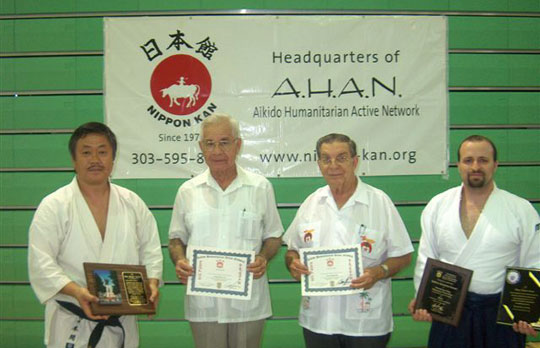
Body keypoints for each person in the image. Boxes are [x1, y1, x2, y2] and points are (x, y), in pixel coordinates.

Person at [28, 122, 163, 348]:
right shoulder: (54, 206)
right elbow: (41, 263)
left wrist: (151, 284)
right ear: (74, 160)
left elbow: (151, 251)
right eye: (86, 152)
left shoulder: (133, 203)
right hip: (72, 321)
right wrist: (77, 292)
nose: (95, 160)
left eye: (102, 152)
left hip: (122, 322)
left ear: (113, 159)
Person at [408, 135, 540, 348]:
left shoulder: (520, 209)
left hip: (500, 314)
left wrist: (529, 311)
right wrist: (423, 299)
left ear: (495, 165)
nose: (475, 166)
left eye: (483, 160)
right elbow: (426, 256)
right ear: (458, 165)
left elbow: (534, 261)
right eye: (468, 160)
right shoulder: (438, 205)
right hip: (448, 311)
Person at [284, 133, 413, 348]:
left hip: (366, 323)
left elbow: (403, 255)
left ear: (355, 161)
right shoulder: (311, 203)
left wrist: (378, 271)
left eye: (341, 158)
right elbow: (292, 251)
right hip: (318, 322)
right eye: (326, 159)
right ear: (319, 164)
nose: (333, 165)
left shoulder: (379, 202)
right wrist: (293, 264)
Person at [168, 113, 283, 348]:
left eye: (224, 142)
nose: (217, 151)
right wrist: (179, 260)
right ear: (201, 147)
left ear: (238, 145)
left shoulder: (260, 187)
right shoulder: (187, 191)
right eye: (210, 143)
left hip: (248, 302)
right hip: (204, 303)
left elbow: (273, 236)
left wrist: (263, 258)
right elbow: (176, 239)